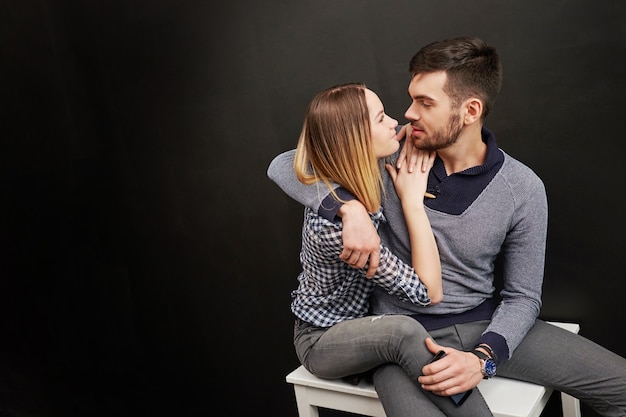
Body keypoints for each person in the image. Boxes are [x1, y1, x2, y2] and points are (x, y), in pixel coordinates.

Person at [268, 37, 626, 417]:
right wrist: (348, 208)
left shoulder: (521, 187)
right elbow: (286, 164)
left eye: (425, 103)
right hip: (399, 337)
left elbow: (523, 296)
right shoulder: (386, 152)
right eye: (411, 98)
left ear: (470, 110)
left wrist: (483, 357)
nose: (408, 113)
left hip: (480, 324)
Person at [285, 82, 450, 396]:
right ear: (354, 139)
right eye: (380, 118)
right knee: (404, 331)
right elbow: (428, 292)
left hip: (363, 325)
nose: (395, 122)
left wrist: (351, 207)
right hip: (321, 339)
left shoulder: (366, 164)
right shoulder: (335, 229)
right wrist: (412, 203)